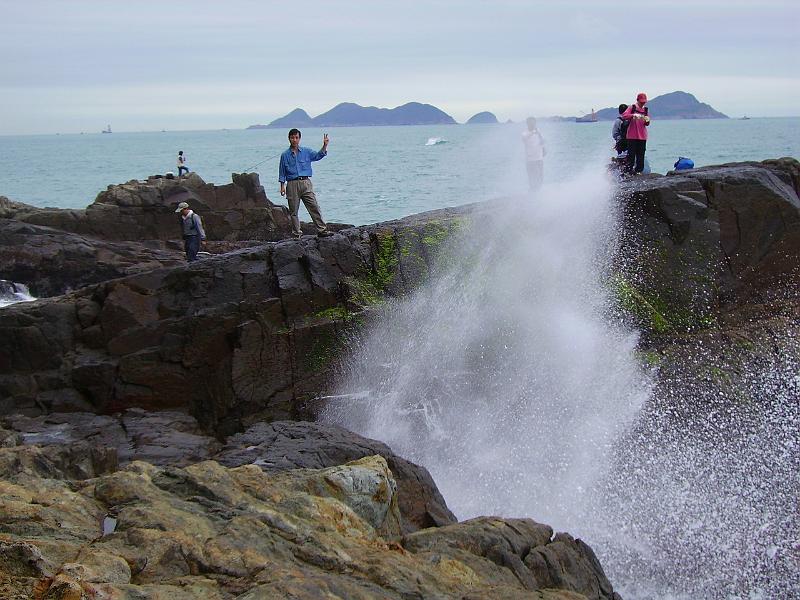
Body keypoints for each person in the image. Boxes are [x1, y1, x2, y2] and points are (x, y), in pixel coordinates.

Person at [278, 129, 333, 238]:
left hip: (306, 182)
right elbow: (282, 172)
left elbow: (318, 155)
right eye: (292, 137)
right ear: (289, 138)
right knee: (293, 211)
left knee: (314, 206)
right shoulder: (285, 155)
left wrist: (325, 145)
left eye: (296, 137)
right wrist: (282, 186)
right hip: (292, 184)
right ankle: (296, 234)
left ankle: (322, 230)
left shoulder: (306, 151)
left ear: (299, 138)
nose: (294, 140)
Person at [621, 93, 651, 174]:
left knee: (641, 155)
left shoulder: (645, 110)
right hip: (632, 135)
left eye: (644, 102)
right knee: (631, 154)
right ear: (637, 100)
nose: (643, 103)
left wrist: (647, 121)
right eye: (641, 101)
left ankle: (639, 171)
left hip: (642, 136)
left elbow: (647, 124)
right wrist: (633, 115)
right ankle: (628, 171)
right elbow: (624, 116)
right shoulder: (632, 107)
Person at [521, 117, 546, 191]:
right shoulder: (524, 133)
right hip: (530, 160)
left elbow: (542, 141)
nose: (533, 124)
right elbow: (525, 138)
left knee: (540, 177)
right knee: (532, 177)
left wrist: (544, 149)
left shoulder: (538, 132)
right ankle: (532, 192)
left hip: (539, 158)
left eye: (534, 123)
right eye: (531, 123)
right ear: (527, 124)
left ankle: (537, 192)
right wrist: (534, 132)